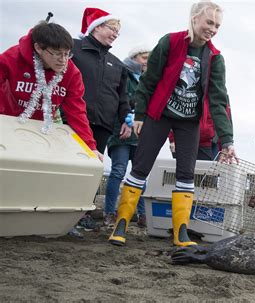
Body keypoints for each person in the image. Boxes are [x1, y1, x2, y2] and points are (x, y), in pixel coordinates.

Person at [109, 1, 236, 247]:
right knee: (141, 167)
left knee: (186, 174)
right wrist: (140, 114)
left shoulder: (215, 58)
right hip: (160, 114)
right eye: (209, 22)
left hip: (189, 121)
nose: (213, 29)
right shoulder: (170, 42)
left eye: (217, 25)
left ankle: (181, 232)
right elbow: (149, 79)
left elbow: (219, 101)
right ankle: (121, 223)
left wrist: (227, 140)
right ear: (195, 18)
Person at [0, 20, 100, 159]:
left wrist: (90, 147)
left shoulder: (71, 72)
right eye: (57, 53)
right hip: (7, 122)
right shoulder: (12, 57)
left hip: (41, 128)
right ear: (38, 48)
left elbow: (77, 110)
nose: (63, 60)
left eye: (67, 53)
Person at [71, 8, 132, 154]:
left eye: (118, 32)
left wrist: (126, 119)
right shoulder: (72, 48)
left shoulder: (118, 64)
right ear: (97, 26)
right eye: (112, 29)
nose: (115, 35)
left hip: (102, 126)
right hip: (71, 120)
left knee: (91, 169)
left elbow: (122, 96)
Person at [103, 46, 151, 228]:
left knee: (140, 174)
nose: (147, 61)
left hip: (141, 135)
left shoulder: (148, 80)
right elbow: (115, 100)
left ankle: (141, 213)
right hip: (120, 131)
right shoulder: (121, 73)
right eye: (144, 57)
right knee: (118, 171)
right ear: (134, 57)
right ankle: (109, 212)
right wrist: (125, 119)